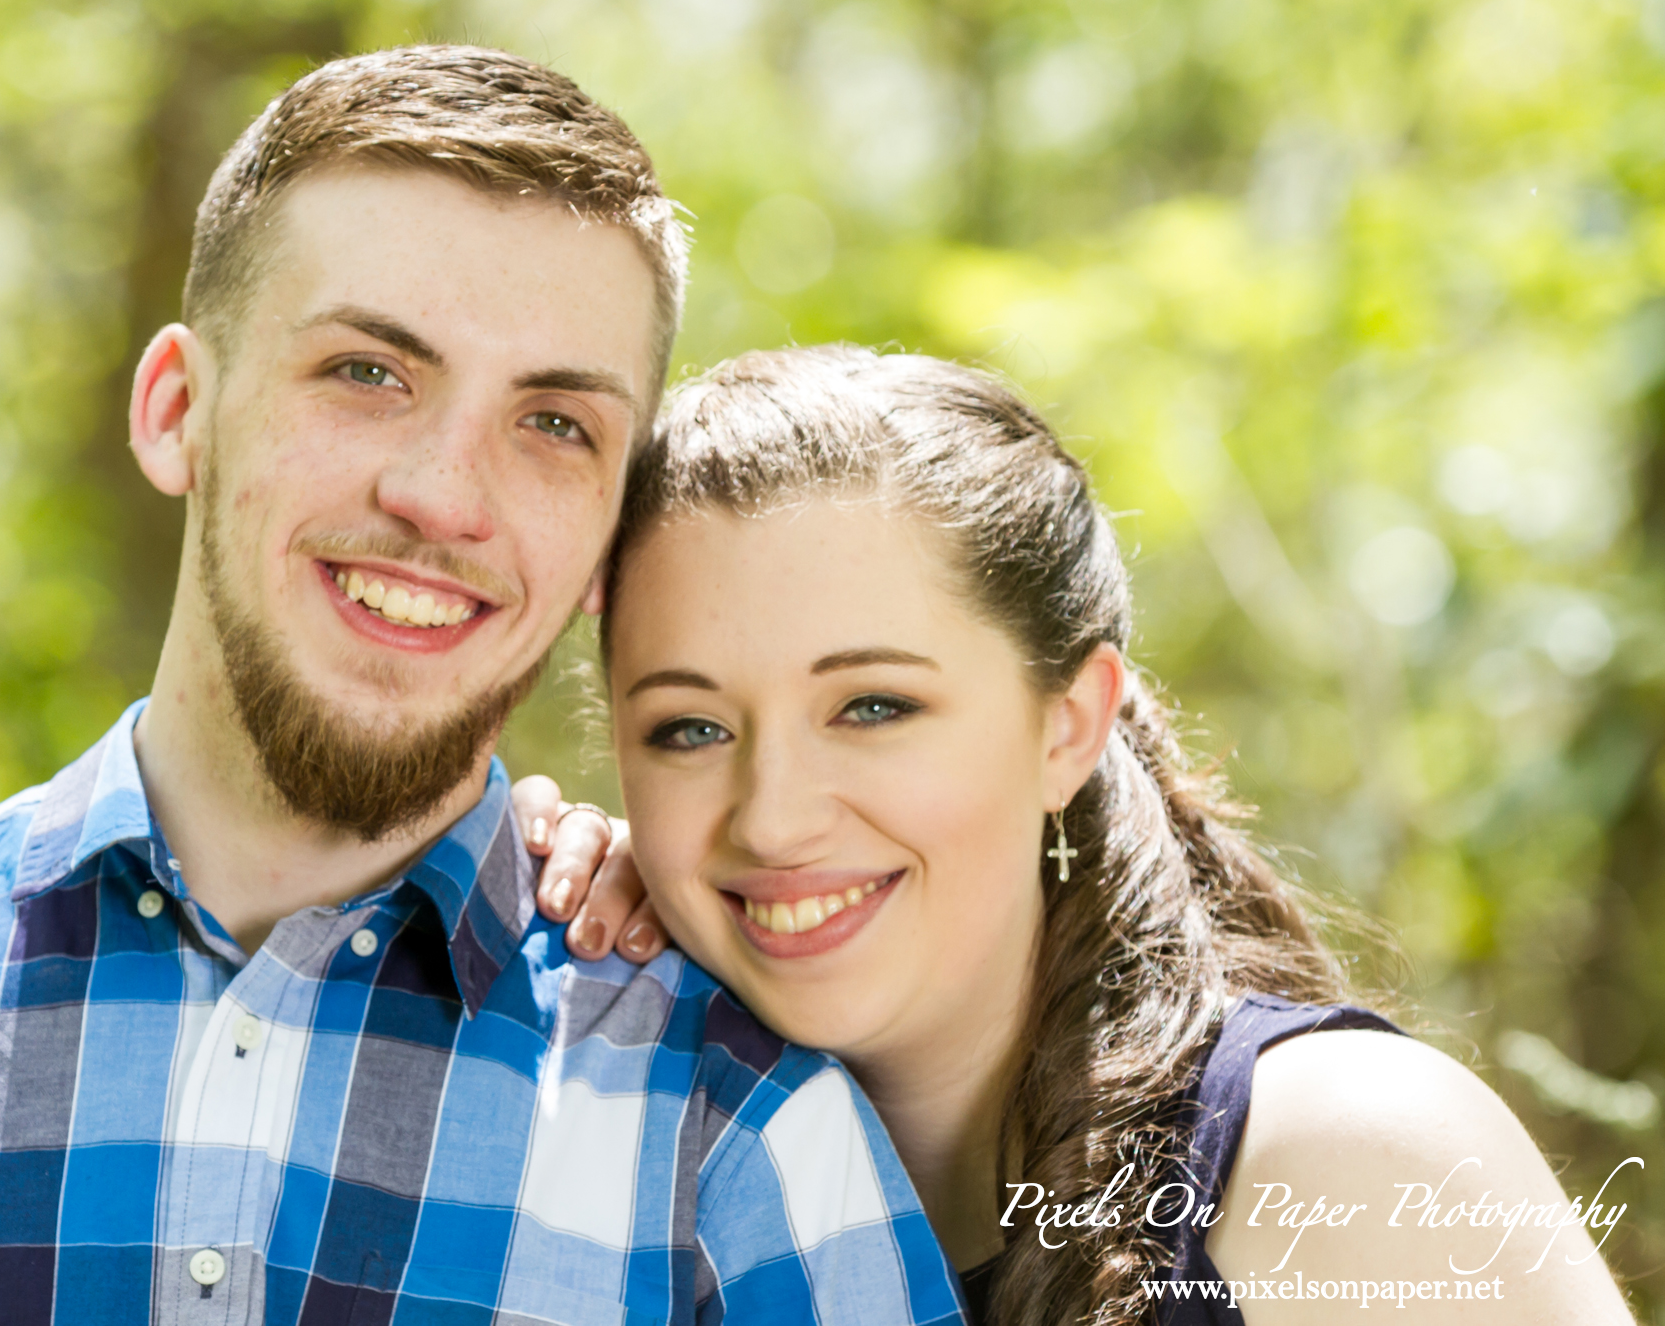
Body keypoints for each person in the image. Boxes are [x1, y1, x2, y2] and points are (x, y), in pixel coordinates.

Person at [0, 54, 966, 1325]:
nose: (442, 497)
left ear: (614, 535)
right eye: (367, 372)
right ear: (174, 410)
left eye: (554, 423)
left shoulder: (740, 1138)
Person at [517, 344, 1636, 1324]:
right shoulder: (605, 1165)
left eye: (871, 708)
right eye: (690, 730)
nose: (769, 815)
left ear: (1067, 724)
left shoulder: (1349, 1161)